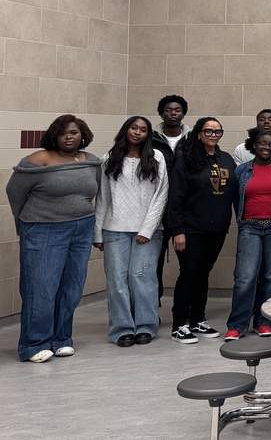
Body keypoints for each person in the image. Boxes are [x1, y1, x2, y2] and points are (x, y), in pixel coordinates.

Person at [7, 115, 101, 363]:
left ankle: (61, 339)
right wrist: (26, 224)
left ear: (83, 135)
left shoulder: (91, 162)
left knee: (71, 287)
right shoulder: (39, 159)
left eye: (74, 132)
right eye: (63, 133)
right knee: (41, 288)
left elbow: (96, 193)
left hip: (82, 229)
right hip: (43, 229)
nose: (69, 137)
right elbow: (14, 192)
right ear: (54, 136)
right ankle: (33, 344)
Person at [94, 116, 169, 347]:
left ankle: (146, 325)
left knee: (142, 278)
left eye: (143, 129)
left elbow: (161, 196)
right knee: (117, 280)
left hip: (148, 230)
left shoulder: (156, 157)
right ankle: (122, 328)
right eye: (133, 128)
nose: (137, 132)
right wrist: (98, 232)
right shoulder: (109, 158)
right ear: (126, 130)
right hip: (114, 229)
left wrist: (148, 228)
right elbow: (102, 197)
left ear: (148, 134)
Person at [167, 116, 238, 344]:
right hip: (190, 229)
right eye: (208, 131)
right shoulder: (186, 159)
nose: (213, 135)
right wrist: (177, 230)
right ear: (198, 133)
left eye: (217, 132)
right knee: (189, 274)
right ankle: (179, 325)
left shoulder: (226, 159)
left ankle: (198, 319)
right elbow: (175, 197)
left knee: (203, 274)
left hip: (216, 229)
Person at [225, 129, 271, 341]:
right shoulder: (241, 171)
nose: (266, 147)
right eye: (262, 143)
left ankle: (263, 322)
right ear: (253, 145)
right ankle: (237, 325)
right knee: (245, 277)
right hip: (250, 228)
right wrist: (244, 221)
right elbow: (236, 201)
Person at [153, 94, 190, 302]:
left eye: (177, 110)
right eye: (168, 110)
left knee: (188, 263)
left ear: (183, 113)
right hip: (156, 208)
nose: (173, 113)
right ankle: (151, 306)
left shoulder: (193, 139)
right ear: (161, 113)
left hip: (184, 210)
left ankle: (185, 308)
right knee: (152, 263)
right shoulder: (150, 139)